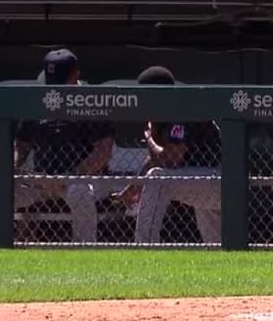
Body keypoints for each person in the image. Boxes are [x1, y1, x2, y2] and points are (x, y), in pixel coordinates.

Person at [14, 49, 116, 243]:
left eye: (61, 81)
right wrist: (18, 170)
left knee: (79, 191)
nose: (55, 87)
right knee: (3, 187)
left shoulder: (91, 99)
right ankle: (2, 245)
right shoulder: (39, 99)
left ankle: (84, 249)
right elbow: (21, 146)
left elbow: (104, 151)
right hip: (42, 180)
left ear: (75, 75)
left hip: (84, 179)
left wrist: (69, 177)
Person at [113, 66, 223, 244]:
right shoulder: (166, 112)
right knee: (218, 246)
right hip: (204, 179)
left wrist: (149, 139)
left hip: (219, 180)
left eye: (146, 96)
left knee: (157, 179)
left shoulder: (181, 109)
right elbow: (157, 161)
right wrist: (132, 188)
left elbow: (171, 159)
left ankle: (144, 247)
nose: (143, 101)